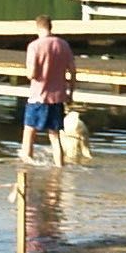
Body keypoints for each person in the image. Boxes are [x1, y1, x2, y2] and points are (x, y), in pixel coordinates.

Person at [20, 15, 77, 165]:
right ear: (50, 27)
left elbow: (32, 74)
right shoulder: (63, 45)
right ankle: (59, 168)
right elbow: (72, 70)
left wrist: (27, 73)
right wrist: (70, 92)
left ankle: (26, 167)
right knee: (55, 136)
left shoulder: (34, 46)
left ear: (38, 28)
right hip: (58, 97)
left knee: (29, 132)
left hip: (38, 96)